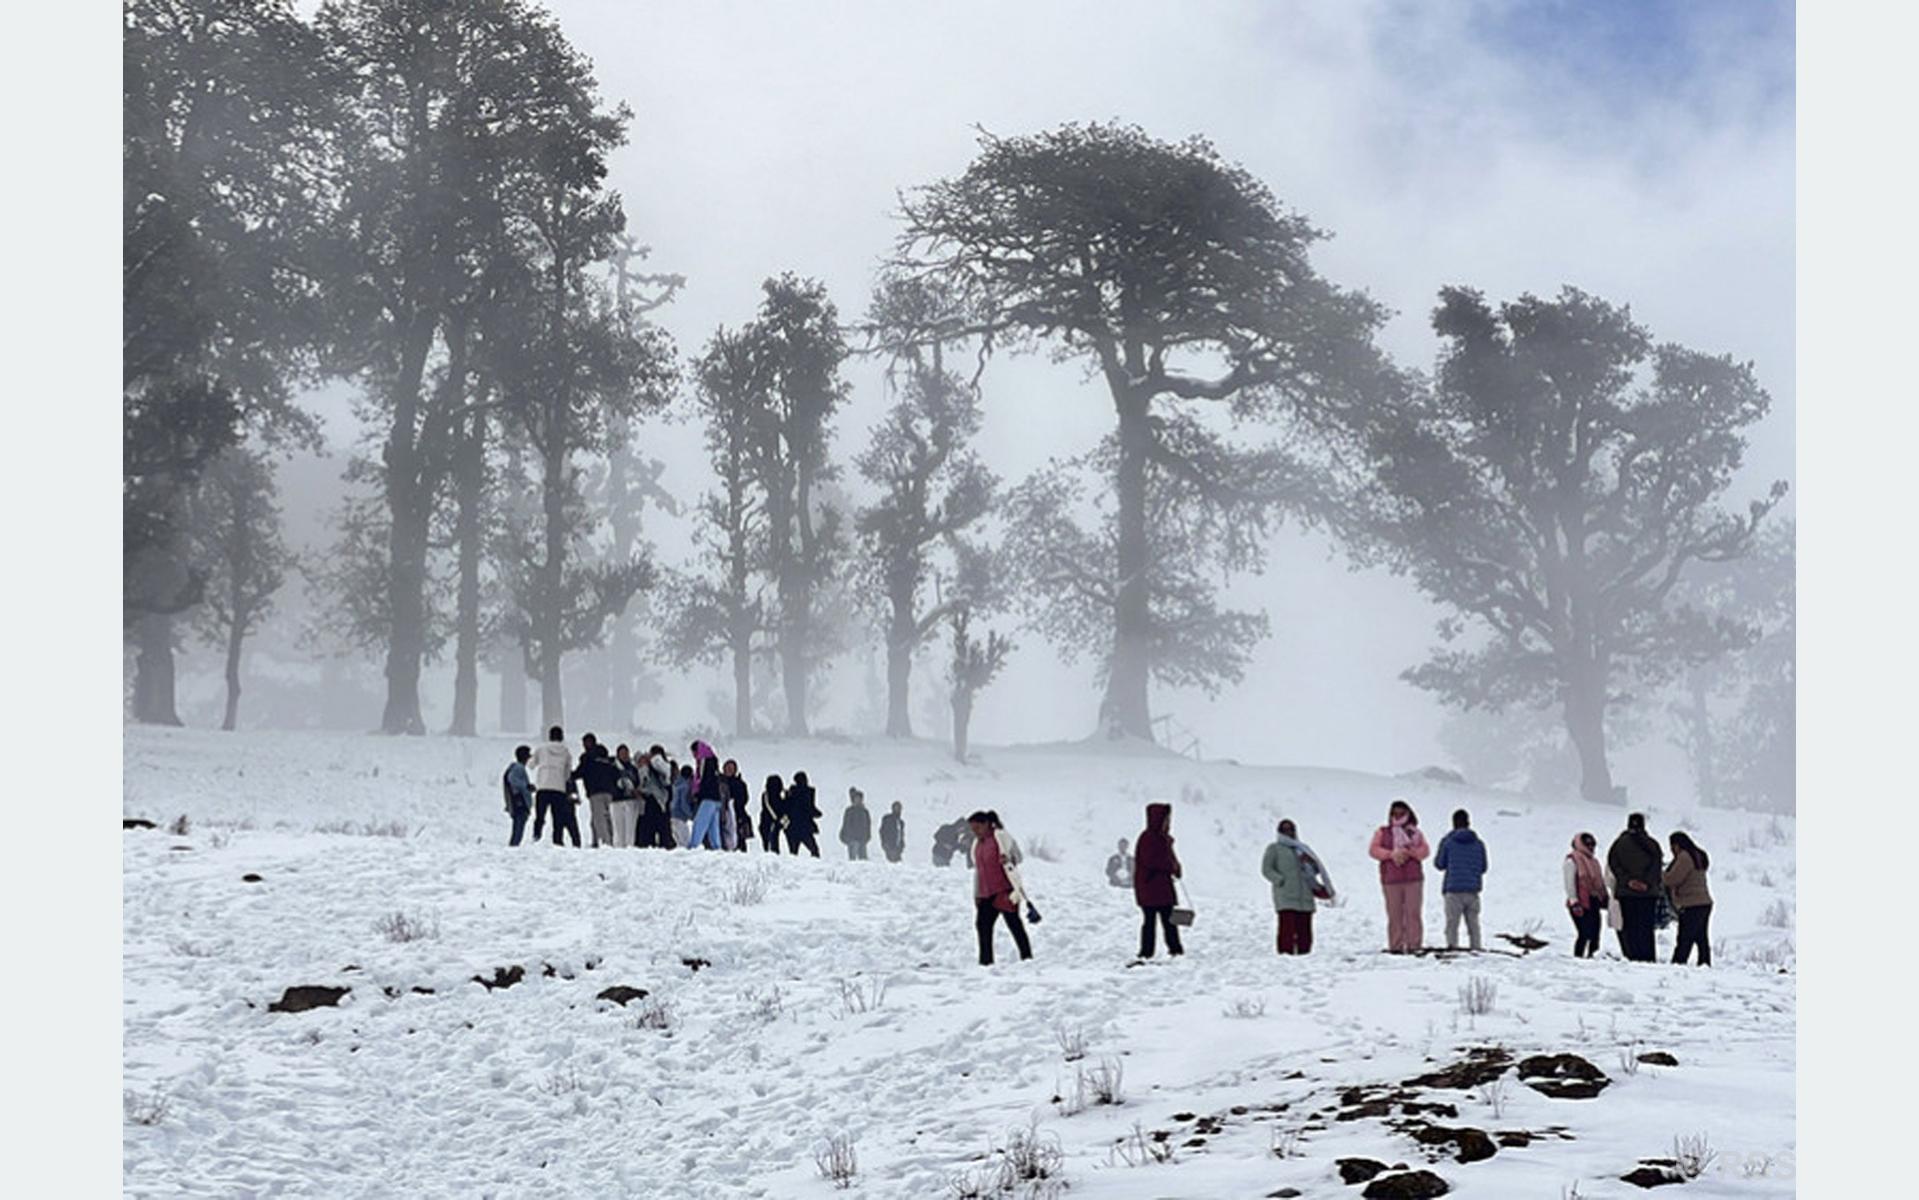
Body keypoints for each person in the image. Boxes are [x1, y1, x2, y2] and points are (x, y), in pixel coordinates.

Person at [969, 810, 1033, 965]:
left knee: (1014, 924)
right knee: (982, 926)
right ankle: (986, 962)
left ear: (986, 824)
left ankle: (1027, 957)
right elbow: (978, 870)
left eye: (977, 828)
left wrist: (1008, 858)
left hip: (1004, 890)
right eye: (973, 829)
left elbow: (1018, 856)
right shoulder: (977, 844)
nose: (975, 832)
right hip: (985, 893)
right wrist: (977, 894)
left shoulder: (1001, 837)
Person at [1261, 819, 1334, 955]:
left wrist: (1309, 863)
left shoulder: (1302, 849)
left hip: (1305, 894)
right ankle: (1285, 956)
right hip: (1286, 895)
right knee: (1287, 928)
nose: (1289, 833)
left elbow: (1315, 869)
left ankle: (1304, 955)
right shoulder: (1274, 848)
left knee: (1305, 929)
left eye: (1291, 830)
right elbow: (1267, 869)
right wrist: (1280, 880)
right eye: (1285, 830)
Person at [1368, 799, 1430, 952]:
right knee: (1394, 914)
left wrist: (1411, 853)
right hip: (1391, 879)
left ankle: (1414, 945)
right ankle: (1395, 945)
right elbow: (1373, 850)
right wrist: (1391, 854)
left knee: (1413, 913)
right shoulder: (1382, 832)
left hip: (1413, 879)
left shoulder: (1416, 833)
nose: (1397, 816)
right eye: (1395, 813)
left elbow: (1425, 851)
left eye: (1401, 813)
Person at [1607, 813, 1665, 962]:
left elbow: (1614, 865)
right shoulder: (1652, 844)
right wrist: (1646, 883)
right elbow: (1657, 867)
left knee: (1630, 927)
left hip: (1627, 893)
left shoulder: (1618, 844)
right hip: (1648, 894)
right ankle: (1648, 957)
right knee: (1646, 928)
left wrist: (1628, 881)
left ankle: (1633, 956)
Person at [1132, 803, 1184, 959]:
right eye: (1166, 819)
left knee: (1167, 921)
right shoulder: (1149, 838)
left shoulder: (1161, 838)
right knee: (1152, 922)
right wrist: (1172, 867)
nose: (1168, 822)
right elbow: (1155, 861)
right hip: (1151, 888)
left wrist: (1176, 867)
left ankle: (1173, 949)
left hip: (1160, 889)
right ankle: (1148, 952)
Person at [1433, 809, 1489, 951]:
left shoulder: (1448, 842)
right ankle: (1476, 947)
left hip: (1453, 889)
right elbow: (1483, 867)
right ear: (1468, 823)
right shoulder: (1479, 844)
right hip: (1473, 889)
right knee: (1473, 923)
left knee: (1452, 923)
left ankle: (1453, 946)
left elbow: (1439, 864)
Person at [1665, 832, 1714, 966]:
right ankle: (1704, 964)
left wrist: (1660, 875)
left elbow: (1672, 879)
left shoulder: (1684, 858)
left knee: (1684, 939)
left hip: (1691, 903)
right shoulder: (1698, 855)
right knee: (1701, 938)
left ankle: (1678, 964)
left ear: (1677, 845)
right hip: (1704, 902)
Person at [530, 726, 578, 847]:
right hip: (559, 788)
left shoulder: (541, 749)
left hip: (543, 786)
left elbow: (531, 764)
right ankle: (557, 840)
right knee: (558, 817)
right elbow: (567, 773)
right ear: (561, 737)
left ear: (549, 736)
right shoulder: (566, 752)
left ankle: (536, 835)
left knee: (540, 815)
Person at [1563, 832, 1607, 958]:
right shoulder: (1572, 861)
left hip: (1594, 901)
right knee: (1584, 933)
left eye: (1593, 844)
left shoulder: (1594, 862)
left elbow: (1599, 881)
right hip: (1580, 902)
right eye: (1587, 844)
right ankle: (1579, 957)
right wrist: (1574, 901)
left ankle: (1593, 956)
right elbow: (1569, 883)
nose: (1591, 847)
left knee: (1595, 933)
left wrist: (1604, 896)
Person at [574, 735, 621, 850]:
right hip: (609, 791)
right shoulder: (607, 758)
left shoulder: (587, 758)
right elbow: (616, 774)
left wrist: (568, 776)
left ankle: (605, 843)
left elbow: (580, 772)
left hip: (595, 791)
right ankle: (601, 840)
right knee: (607, 817)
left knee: (599, 818)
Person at [635, 745, 675, 849]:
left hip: (658, 800)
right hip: (657, 800)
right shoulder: (650, 768)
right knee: (660, 826)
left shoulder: (660, 766)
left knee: (658, 826)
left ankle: (657, 844)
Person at [688, 756, 725, 850]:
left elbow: (703, 783)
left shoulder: (705, 768)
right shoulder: (715, 771)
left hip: (708, 799)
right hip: (717, 800)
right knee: (713, 825)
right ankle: (717, 846)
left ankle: (694, 845)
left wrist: (697, 794)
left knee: (700, 822)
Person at [609, 744, 642, 849]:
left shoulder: (633, 769)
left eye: (626, 753)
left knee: (630, 827)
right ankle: (619, 846)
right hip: (617, 800)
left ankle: (629, 846)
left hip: (630, 801)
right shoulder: (613, 768)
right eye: (622, 753)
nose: (624, 755)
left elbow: (637, 782)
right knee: (618, 827)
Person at [783, 771, 822, 857]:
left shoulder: (791, 793)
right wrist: (817, 813)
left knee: (793, 853)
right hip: (805, 827)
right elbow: (809, 808)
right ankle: (816, 867)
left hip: (792, 827)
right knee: (814, 850)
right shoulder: (808, 792)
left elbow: (786, 808)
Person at [502, 745, 533, 847]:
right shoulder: (518, 768)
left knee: (518, 826)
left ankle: (514, 845)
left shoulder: (514, 767)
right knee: (519, 826)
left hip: (516, 802)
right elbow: (512, 779)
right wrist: (526, 787)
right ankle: (514, 845)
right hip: (520, 802)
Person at [724, 760, 752, 854]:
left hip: (738, 812)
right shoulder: (720, 782)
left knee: (740, 837)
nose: (729, 770)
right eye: (727, 768)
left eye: (731, 768)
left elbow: (745, 798)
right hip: (723, 813)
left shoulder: (740, 783)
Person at [840, 787, 873, 861]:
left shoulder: (865, 811)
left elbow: (868, 824)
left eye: (859, 798)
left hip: (862, 838)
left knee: (863, 859)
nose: (858, 800)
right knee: (852, 859)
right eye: (856, 798)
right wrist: (846, 835)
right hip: (852, 839)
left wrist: (868, 835)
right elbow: (846, 824)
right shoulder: (849, 811)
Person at [669, 763, 694, 848]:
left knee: (678, 840)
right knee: (685, 842)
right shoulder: (685, 787)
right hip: (680, 816)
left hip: (672, 815)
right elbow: (684, 803)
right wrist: (690, 814)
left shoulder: (676, 784)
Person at [759, 775, 785, 854]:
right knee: (771, 841)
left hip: (773, 821)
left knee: (772, 841)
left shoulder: (780, 795)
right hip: (769, 821)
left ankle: (771, 854)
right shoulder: (767, 795)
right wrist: (777, 818)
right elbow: (768, 806)